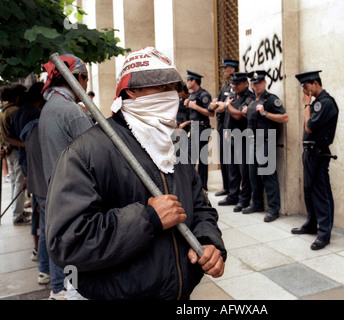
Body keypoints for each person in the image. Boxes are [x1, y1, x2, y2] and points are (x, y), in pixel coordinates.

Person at [44, 47, 226, 300]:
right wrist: (148, 218)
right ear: (132, 91)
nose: (170, 96)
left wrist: (209, 241)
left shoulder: (172, 145)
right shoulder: (85, 153)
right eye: (160, 87)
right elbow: (67, 242)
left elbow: (201, 207)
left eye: (173, 88)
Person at [38, 54, 94, 300]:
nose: (87, 85)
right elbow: (98, 155)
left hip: (57, 191)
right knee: (78, 265)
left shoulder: (51, 106)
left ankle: (60, 289)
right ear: (77, 78)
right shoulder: (71, 111)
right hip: (75, 195)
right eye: (86, 79)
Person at [292, 71, 339, 250]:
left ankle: (324, 233)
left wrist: (306, 106)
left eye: (306, 87)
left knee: (321, 193)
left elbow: (310, 126)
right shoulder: (318, 103)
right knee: (308, 189)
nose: (304, 91)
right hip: (310, 153)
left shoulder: (325, 103)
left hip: (319, 153)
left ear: (315, 83)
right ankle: (311, 224)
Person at [242, 70, 288, 222]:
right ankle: (257, 204)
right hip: (252, 141)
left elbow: (284, 117)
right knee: (253, 175)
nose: (257, 85)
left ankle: (274, 209)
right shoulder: (250, 101)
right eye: (254, 83)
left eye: (259, 82)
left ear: (265, 83)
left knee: (268, 175)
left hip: (266, 141)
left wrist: (265, 113)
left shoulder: (270, 99)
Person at [10, 82, 45, 263]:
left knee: (37, 206)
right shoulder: (35, 114)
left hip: (26, 162)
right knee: (40, 210)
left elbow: (12, 137)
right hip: (35, 164)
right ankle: (39, 251)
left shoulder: (20, 112)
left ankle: (37, 248)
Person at [218, 72, 254, 213]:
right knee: (232, 168)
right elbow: (229, 116)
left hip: (243, 138)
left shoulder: (248, 98)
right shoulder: (232, 97)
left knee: (243, 170)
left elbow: (239, 115)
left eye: (237, 83)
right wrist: (226, 131)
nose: (234, 86)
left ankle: (244, 199)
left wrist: (227, 106)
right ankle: (233, 195)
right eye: (233, 83)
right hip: (231, 137)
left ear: (245, 83)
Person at [209, 59, 239, 197]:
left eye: (225, 68)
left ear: (232, 69)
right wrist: (218, 105)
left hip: (232, 127)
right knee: (224, 159)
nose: (223, 71)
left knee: (232, 161)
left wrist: (220, 105)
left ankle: (234, 191)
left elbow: (221, 107)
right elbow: (212, 106)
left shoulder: (235, 88)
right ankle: (227, 188)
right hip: (222, 125)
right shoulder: (225, 88)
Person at [0, 84, 28, 225]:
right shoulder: (14, 111)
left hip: (9, 150)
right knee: (18, 182)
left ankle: (16, 211)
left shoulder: (4, 111)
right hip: (16, 150)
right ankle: (17, 214)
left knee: (14, 182)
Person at [184, 70, 214, 191]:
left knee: (202, 159)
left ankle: (202, 186)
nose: (186, 83)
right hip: (194, 128)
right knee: (190, 156)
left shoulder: (204, 95)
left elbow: (211, 113)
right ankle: (192, 183)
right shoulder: (192, 95)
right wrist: (187, 104)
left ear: (194, 81)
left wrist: (194, 106)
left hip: (202, 128)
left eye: (188, 80)